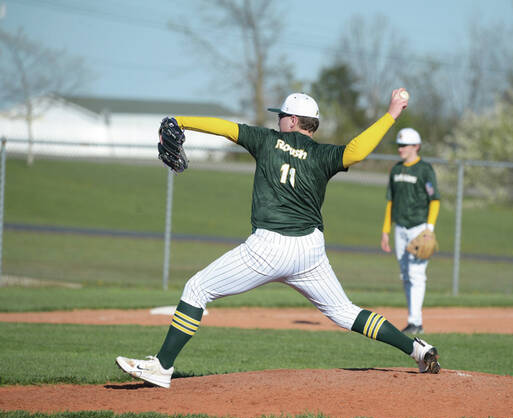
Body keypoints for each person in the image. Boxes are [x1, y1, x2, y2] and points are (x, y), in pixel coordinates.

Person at [116, 89, 440, 389]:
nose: (277, 120)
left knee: (197, 288)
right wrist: (391, 114)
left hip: (269, 248)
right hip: (310, 251)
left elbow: (225, 128)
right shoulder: (323, 155)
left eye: (281, 116)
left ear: (294, 121)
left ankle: (162, 366)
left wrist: (181, 121)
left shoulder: (266, 140)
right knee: (346, 312)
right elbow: (356, 151)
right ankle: (416, 350)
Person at [380, 128, 441, 335]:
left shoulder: (425, 170)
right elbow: (390, 201)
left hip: (418, 228)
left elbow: (435, 200)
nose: (400, 149)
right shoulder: (396, 170)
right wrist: (385, 231)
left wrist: (428, 230)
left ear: (416, 146)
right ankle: (412, 321)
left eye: (404, 145)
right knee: (405, 274)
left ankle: (416, 321)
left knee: (416, 274)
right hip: (400, 228)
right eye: (399, 145)